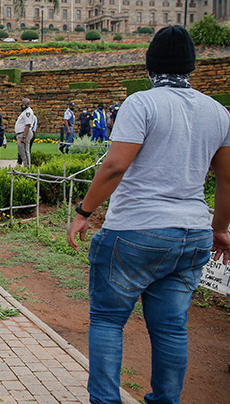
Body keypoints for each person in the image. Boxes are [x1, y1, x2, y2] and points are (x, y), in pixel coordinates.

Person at [67, 25, 230, 404]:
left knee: (108, 320)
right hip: (192, 232)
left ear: (150, 63)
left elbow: (113, 167)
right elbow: (227, 178)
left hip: (136, 230)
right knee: (172, 327)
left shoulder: (142, 103)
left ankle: (106, 400)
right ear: (192, 64)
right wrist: (219, 228)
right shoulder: (218, 112)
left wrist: (83, 212)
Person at [14, 97, 33, 168]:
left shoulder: (28, 112)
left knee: (25, 152)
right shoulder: (24, 112)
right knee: (22, 152)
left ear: (27, 104)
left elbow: (27, 125)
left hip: (23, 134)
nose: (21, 105)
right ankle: (26, 166)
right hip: (20, 133)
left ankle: (28, 168)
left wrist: (24, 136)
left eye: (23, 103)